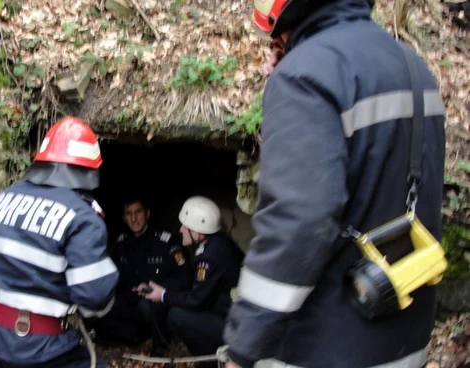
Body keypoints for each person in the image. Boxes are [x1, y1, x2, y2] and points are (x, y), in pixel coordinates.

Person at [223, 0, 446, 367]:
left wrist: (243, 345)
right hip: (405, 344)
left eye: (276, 42)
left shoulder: (306, 75)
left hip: (324, 347)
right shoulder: (414, 67)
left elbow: (299, 222)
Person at [0, 116, 120, 368]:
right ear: (89, 170)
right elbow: (94, 296)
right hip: (29, 345)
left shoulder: (6, 197)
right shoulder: (83, 217)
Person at [140, 196, 244, 365]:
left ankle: (209, 361)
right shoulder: (218, 243)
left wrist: (163, 295)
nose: (180, 229)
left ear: (197, 233)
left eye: (185, 226)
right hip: (233, 315)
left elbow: (196, 300)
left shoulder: (209, 257)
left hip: (232, 325)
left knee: (176, 316)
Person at [90, 197, 193, 356]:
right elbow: (112, 276)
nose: (133, 218)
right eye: (128, 214)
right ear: (124, 217)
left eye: (138, 212)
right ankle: (132, 337)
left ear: (147, 214)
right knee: (97, 312)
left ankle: (159, 348)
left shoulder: (164, 241)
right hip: (129, 301)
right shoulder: (122, 242)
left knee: (148, 307)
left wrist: (157, 289)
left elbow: (185, 277)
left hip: (154, 304)